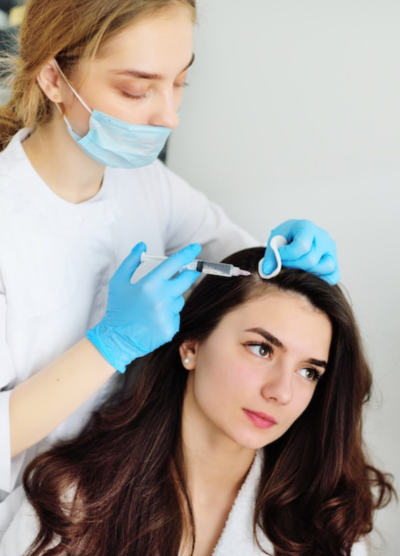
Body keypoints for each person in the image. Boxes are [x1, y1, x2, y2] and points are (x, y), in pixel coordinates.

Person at [0, 0, 340, 534]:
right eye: (137, 89)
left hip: (118, 498)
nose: (169, 115)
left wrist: (291, 258)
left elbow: (247, 269)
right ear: (52, 78)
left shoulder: (145, 183)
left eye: (180, 83)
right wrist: (108, 346)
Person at [0, 246, 395, 556]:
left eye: (309, 372)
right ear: (191, 346)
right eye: (261, 349)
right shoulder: (73, 501)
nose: (282, 391)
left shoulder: (322, 524)